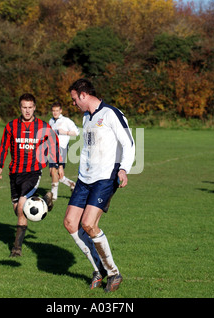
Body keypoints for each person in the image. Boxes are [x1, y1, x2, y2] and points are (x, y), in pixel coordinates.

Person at [63, 79, 135, 292]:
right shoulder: (86, 117)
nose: (74, 103)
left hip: (105, 177)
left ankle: (113, 273)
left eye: (75, 99)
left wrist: (124, 169)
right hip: (85, 178)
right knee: (70, 222)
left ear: (83, 95)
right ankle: (99, 269)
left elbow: (128, 142)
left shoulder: (111, 114)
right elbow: (88, 148)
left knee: (88, 224)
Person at [0, 93, 63, 257]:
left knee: (22, 207)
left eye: (30, 107)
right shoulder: (11, 126)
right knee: (17, 210)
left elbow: (54, 143)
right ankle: (45, 200)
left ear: (34, 108)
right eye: (24, 107)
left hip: (33, 172)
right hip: (14, 173)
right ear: (20, 108)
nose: (27, 111)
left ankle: (16, 249)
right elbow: (4, 146)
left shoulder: (43, 126)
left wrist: (58, 164)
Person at [48, 101, 80, 201]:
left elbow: (77, 132)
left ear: (60, 111)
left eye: (57, 110)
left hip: (61, 148)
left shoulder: (66, 121)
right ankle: (72, 184)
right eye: (53, 111)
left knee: (55, 171)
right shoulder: (51, 121)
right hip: (52, 149)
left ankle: (54, 196)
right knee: (53, 173)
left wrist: (65, 132)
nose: (55, 113)